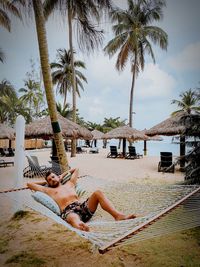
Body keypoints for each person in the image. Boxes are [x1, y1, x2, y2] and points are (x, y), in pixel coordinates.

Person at [27, 168, 136, 231]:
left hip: (83, 207)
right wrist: (45, 183)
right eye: (50, 180)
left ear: (58, 177)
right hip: (68, 212)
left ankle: (117, 215)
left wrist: (62, 175)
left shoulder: (70, 184)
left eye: (53, 177)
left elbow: (76, 169)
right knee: (72, 216)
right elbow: (29, 184)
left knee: (98, 192)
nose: (52, 180)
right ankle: (80, 226)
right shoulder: (48, 190)